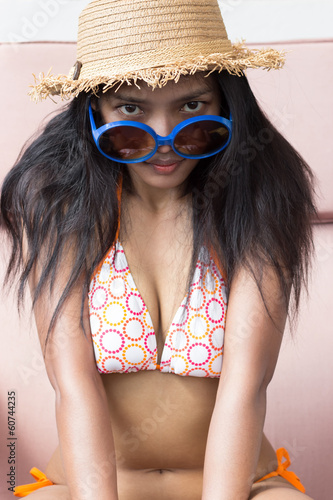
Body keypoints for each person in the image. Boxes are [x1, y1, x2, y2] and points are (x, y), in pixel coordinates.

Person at [0, 1, 316, 499]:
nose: (164, 139)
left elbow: (246, 386)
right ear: (93, 110)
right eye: (131, 109)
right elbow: (73, 384)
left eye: (191, 106)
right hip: (90, 489)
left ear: (226, 102)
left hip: (240, 486)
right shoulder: (60, 204)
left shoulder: (257, 199)